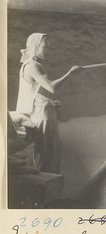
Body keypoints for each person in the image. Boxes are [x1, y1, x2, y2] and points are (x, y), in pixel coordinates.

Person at [16, 33, 81, 174]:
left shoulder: (35, 65)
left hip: (45, 113)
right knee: (46, 156)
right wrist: (70, 73)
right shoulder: (32, 66)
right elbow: (51, 87)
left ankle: (51, 193)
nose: (48, 50)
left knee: (52, 155)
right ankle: (44, 192)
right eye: (45, 47)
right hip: (41, 115)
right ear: (35, 47)